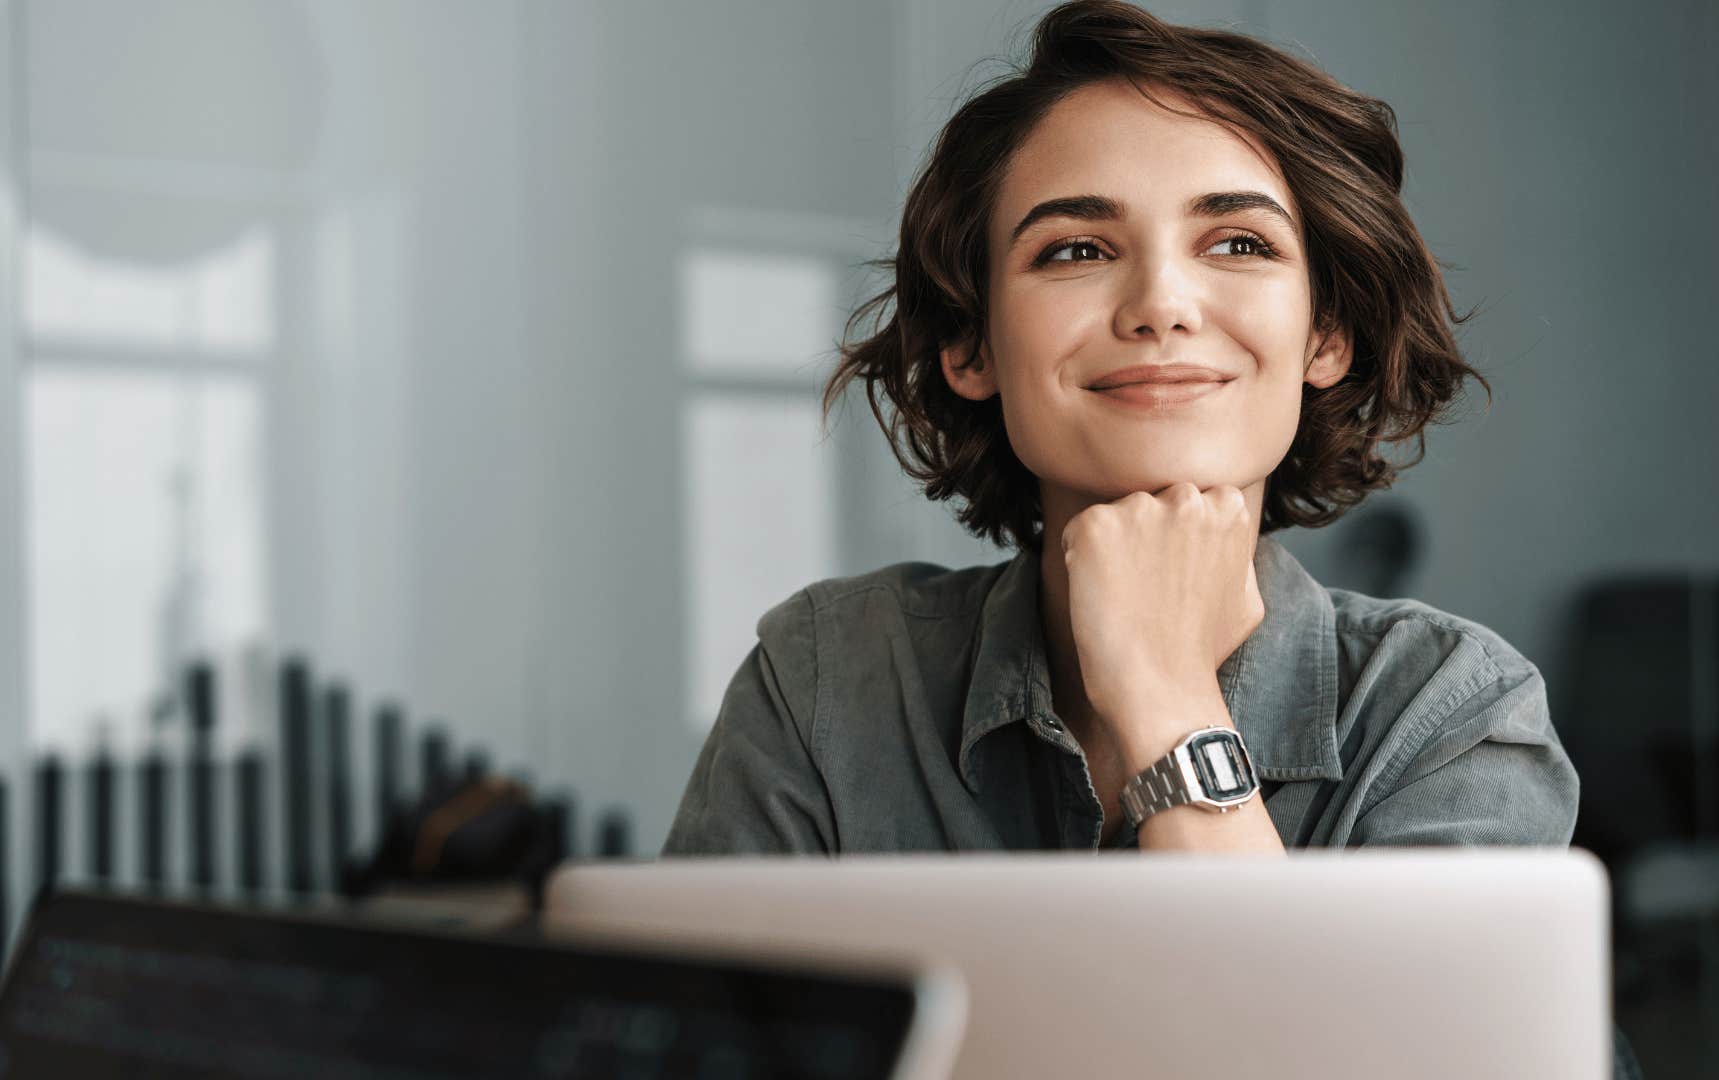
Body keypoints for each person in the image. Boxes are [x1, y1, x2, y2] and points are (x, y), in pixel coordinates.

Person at [663, 0, 1578, 860]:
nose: (1160, 306)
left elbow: (1315, 1039)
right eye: (1076, 250)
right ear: (970, 344)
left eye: (1238, 244)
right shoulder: (825, 682)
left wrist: (1166, 696)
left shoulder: (1451, 713)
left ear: (1326, 334)